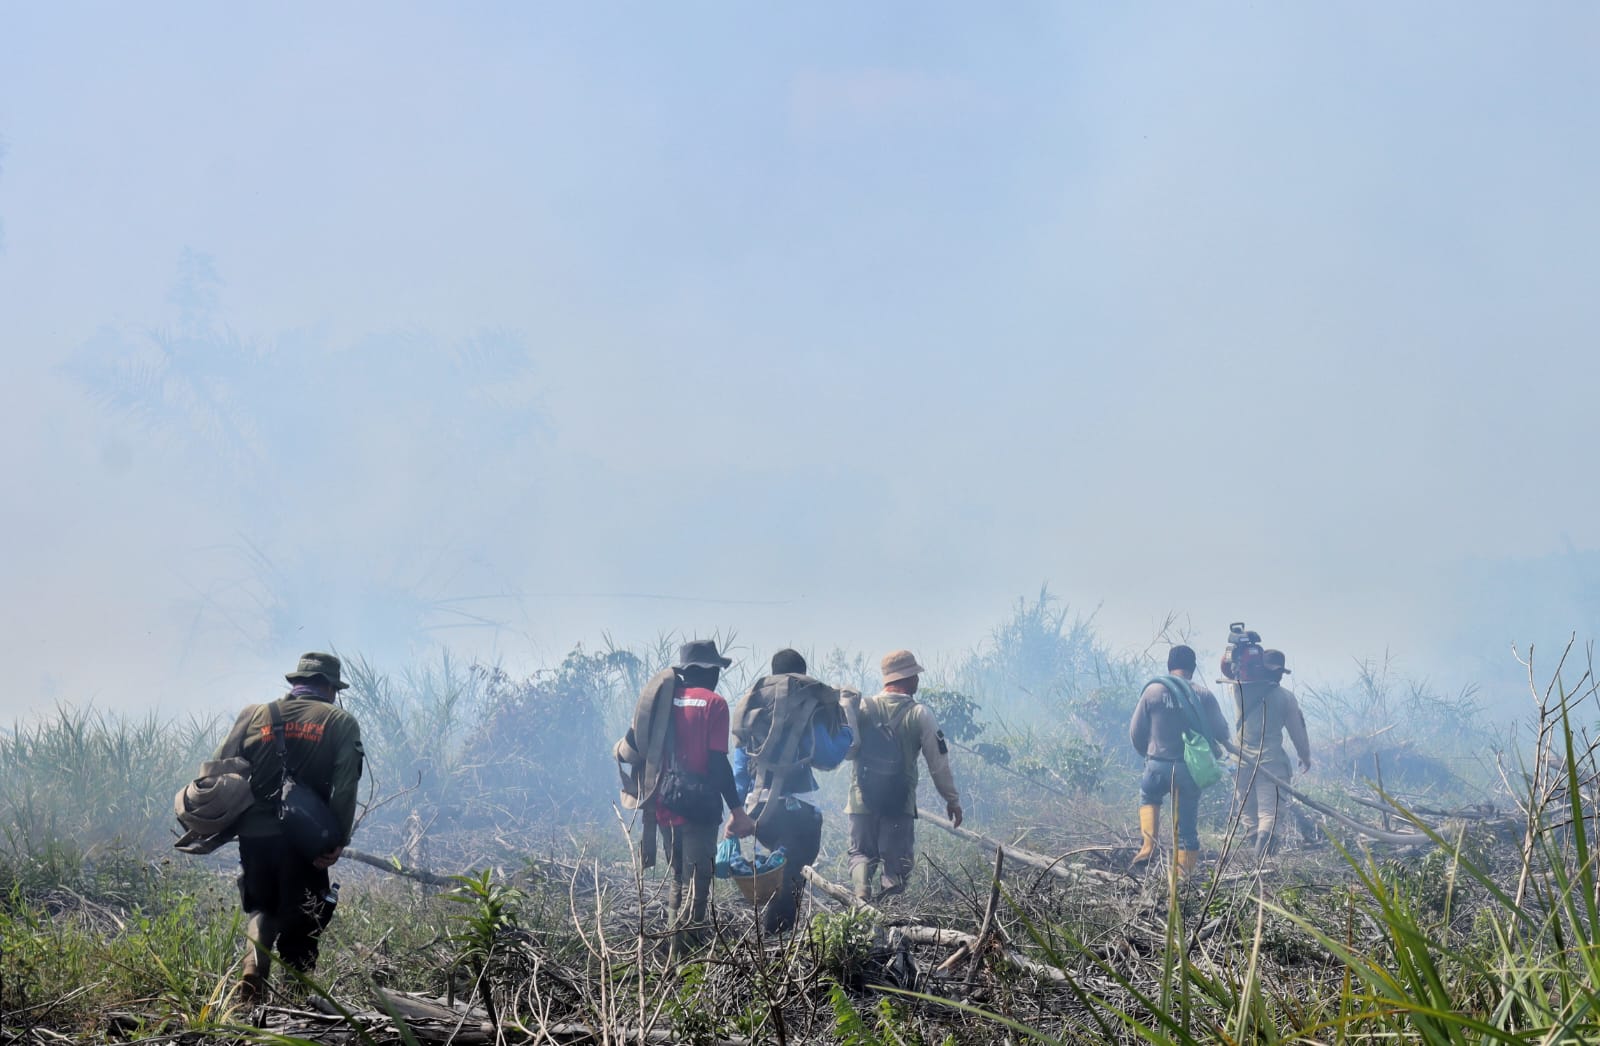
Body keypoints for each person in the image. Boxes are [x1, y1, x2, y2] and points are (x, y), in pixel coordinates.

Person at [221, 652, 364, 1006]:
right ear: (330, 688)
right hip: (305, 837)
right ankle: (297, 1002)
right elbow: (346, 788)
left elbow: (222, 768)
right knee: (304, 920)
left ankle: (253, 969)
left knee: (262, 907)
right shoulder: (341, 722)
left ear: (296, 684)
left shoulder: (255, 715)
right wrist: (337, 840)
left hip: (253, 834)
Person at [730, 648, 854, 933]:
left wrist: (737, 812)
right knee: (794, 871)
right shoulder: (807, 705)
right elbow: (828, 757)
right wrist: (847, 732)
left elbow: (740, 769)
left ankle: (774, 935)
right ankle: (776, 938)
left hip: (758, 810)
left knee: (782, 865)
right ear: (802, 671)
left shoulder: (753, 706)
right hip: (798, 809)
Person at [655, 640, 755, 940]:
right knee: (697, 885)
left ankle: (674, 950)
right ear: (711, 671)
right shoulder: (714, 703)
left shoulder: (666, 701)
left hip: (665, 802)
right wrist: (737, 811)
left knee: (677, 879)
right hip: (699, 808)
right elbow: (717, 763)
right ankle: (688, 959)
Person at [845, 649, 962, 902]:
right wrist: (951, 800)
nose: (918, 681)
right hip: (899, 803)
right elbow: (938, 763)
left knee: (860, 854)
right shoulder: (920, 713)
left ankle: (861, 894)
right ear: (909, 679)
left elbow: (847, 747)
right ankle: (890, 917)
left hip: (860, 800)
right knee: (896, 865)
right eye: (915, 676)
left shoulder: (862, 708)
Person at [1128, 645, 1231, 875]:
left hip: (1156, 766)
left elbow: (1135, 732)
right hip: (1188, 772)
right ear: (1193, 668)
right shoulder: (1203, 695)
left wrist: (1148, 755)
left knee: (1148, 795)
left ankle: (1147, 847)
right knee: (1186, 832)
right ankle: (1182, 878)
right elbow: (1222, 731)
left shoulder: (1152, 691)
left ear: (1168, 666)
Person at [1232, 648, 1312, 855]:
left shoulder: (1239, 691)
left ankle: (1254, 863)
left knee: (1248, 813)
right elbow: (1298, 732)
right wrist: (1305, 756)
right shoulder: (1286, 697)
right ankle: (1262, 863)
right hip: (1272, 764)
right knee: (1270, 813)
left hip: (1241, 763)